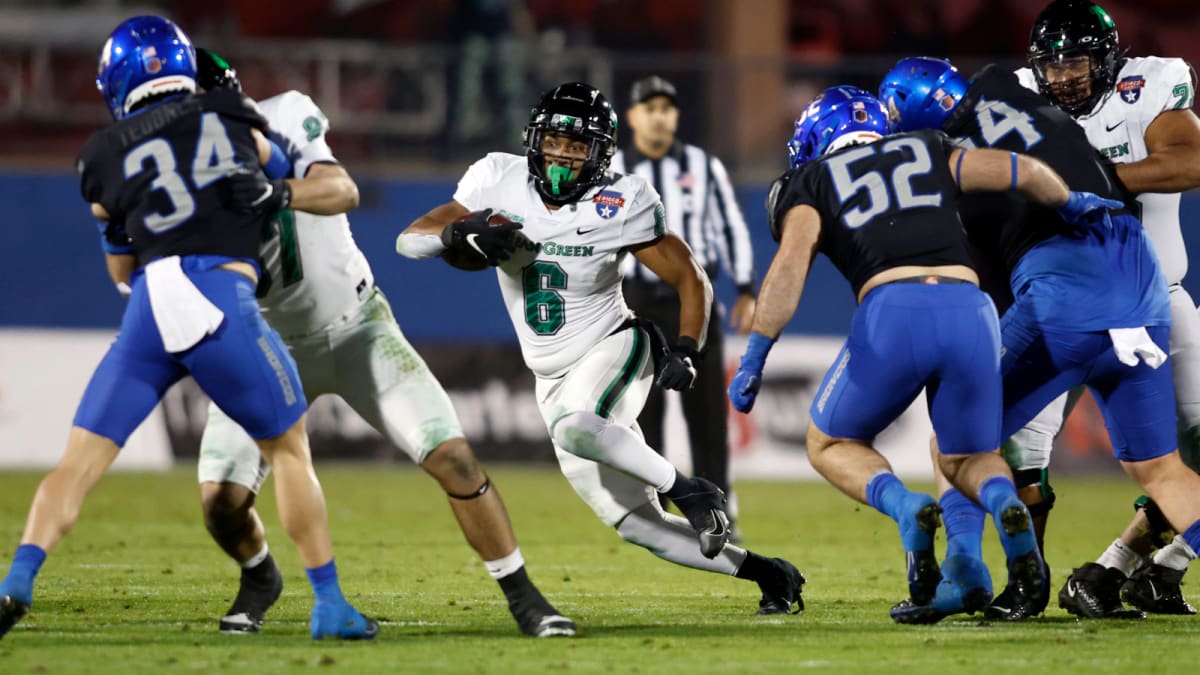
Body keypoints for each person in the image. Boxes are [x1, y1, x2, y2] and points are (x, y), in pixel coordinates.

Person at [0, 16, 375, 640]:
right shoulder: (232, 117)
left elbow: (121, 267)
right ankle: (330, 603)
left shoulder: (99, 155)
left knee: (77, 464)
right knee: (287, 450)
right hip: (219, 298)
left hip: (150, 308)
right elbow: (281, 180)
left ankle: (16, 579)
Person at [188, 48, 574, 638]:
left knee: (454, 457)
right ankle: (260, 573)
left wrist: (272, 192)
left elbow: (341, 190)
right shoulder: (171, 174)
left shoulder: (285, 116)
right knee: (220, 501)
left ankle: (526, 598)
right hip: (261, 344)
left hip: (355, 327)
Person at [396, 82, 804, 615]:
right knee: (640, 526)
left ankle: (690, 488)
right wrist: (458, 235)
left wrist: (685, 348)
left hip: (617, 345)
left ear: (600, 153)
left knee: (575, 425)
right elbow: (409, 239)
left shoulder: (621, 200)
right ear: (534, 140)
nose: (562, 155)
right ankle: (768, 573)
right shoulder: (498, 178)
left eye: (576, 145)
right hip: (551, 376)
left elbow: (691, 277)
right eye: (554, 142)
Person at [726, 86, 1121, 620]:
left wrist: (754, 356)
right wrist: (1073, 203)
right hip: (972, 309)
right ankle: (995, 531)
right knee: (966, 456)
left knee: (828, 441)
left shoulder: (813, 179)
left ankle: (906, 508)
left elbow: (790, 267)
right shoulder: (925, 146)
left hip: (894, 311)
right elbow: (1020, 170)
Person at [880, 54, 1200, 623]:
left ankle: (975, 576)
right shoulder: (1018, 91)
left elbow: (970, 273)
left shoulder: (946, 168)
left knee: (954, 437)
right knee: (1162, 470)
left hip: (1067, 296)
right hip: (1144, 286)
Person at [1010, 0, 1200, 618]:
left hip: (1157, 300)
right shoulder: (1015, 96)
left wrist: (1092, 179)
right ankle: (1026, 581)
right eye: (1052, 64)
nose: (1063, 75)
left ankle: (1131, 567)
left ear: (1111, 57)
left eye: (1077, 61)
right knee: (1019, 447)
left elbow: (1190, 159)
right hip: (1056, 305)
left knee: (1187, 449)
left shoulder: (1149, 84)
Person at [612, 75, 755, 532]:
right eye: (649, 107)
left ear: (676, 116)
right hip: (636, 301)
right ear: (632, 117)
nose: (659, 115)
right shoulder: (612, 167)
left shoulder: (702, 165)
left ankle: (719, 505)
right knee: (641, 409)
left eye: (666, 108)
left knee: (707, 411)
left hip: (697, 300)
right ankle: (653, 507)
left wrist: (747, 287)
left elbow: (730, 225)